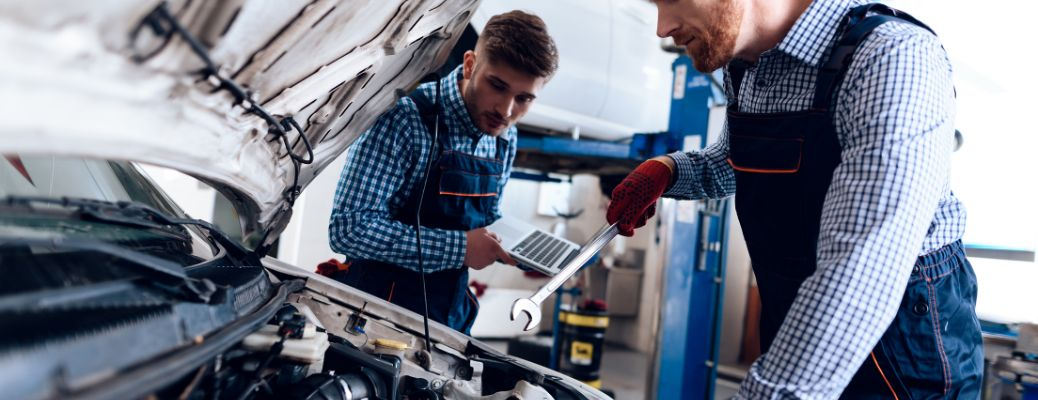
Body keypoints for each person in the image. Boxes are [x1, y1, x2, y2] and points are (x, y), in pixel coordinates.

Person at [608, 0, 981, 398]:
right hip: (802, 325)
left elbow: (860, 272)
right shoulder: (746, 66)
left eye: (673, 1)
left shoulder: (892, 56)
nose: (662, 28)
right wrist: (669, 170)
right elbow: (739, 161)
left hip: (898, 357)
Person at [327, 11, 559, 335]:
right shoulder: (404, 119)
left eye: (524, 98)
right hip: (374, 319)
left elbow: (486, 217)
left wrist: (515, 247)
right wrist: (461, 249)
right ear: (469, 64)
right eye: (497, 86)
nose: (506, 110)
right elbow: (348, 229)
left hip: (450, 318)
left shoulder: (504, 137)